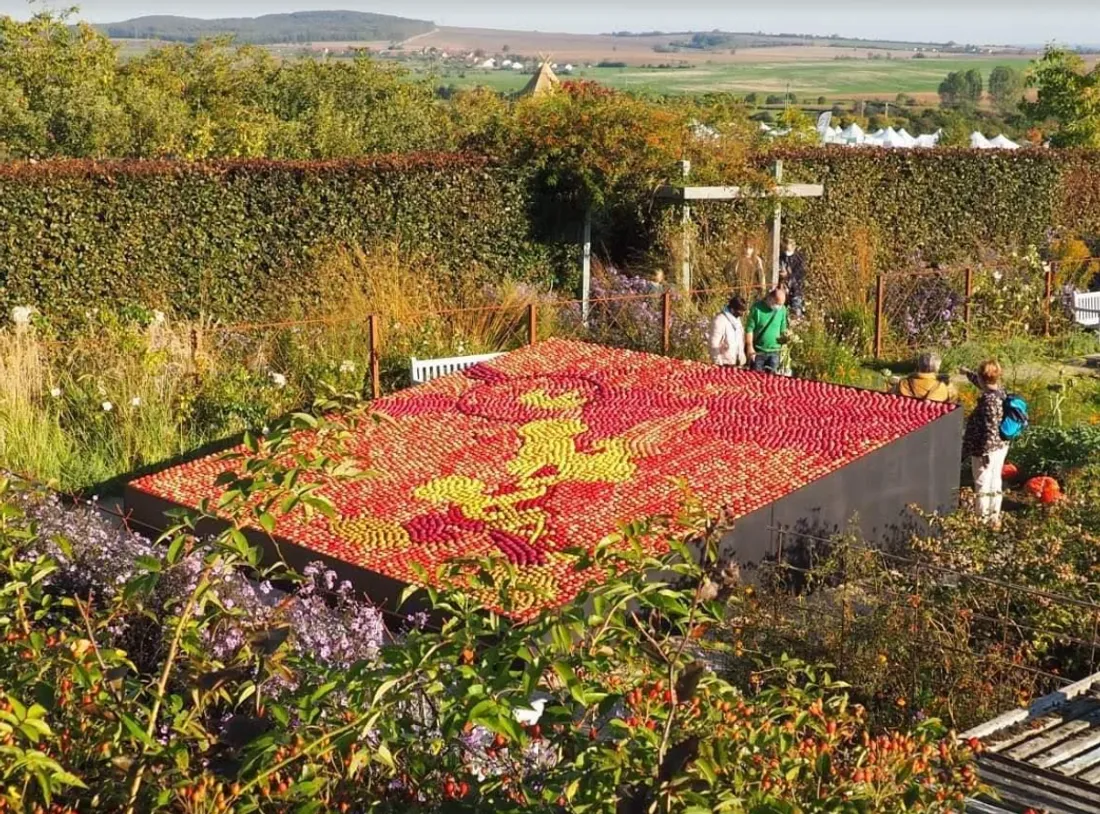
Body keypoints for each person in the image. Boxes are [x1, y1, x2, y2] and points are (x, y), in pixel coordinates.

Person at [962, 359, 1009, 527]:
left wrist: (984, 453)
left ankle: (981, 520)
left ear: (983, 378)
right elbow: (981, 382)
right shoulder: (1000, 391)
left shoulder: (989, 401)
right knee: (995, 480)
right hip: (1001, 445)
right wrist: (967, 373)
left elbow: (990, 429)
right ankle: (994, 517)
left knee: (982, 482)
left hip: (987, 448)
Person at [745, 288, 789, 374]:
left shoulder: (782, 310)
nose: (779, 307)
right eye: (778, 304)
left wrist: (785, 345)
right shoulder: (757, 309)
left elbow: (783, 328)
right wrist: (749, 347)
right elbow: (749, 329)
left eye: (781, 304)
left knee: (772, 381)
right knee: (755, 378)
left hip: (775, 352)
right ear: (770, 298)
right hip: (758, 351)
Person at [892, 351, 958, 403]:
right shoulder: (945, 386)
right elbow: (953, 402)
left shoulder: (903, 383)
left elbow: (892, 399)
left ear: (919, 365)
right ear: (937, 368)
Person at [708, 295, 748, 367]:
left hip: (737, 361)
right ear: (732, 309)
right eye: (740, 311)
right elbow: (713, 343)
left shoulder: (737, 320)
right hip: (725, 363)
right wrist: (718, 363)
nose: (742, 314)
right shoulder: (720, 320)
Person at [778, 238, 807, 318]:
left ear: (794, 247)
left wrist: (788, 275)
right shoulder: (780, 257)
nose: (786, 251)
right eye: (785, 248)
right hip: (782, 290)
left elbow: (799, 274)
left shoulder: (799, 259)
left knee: (795, 312)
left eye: (788, 249)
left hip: (796, 290)